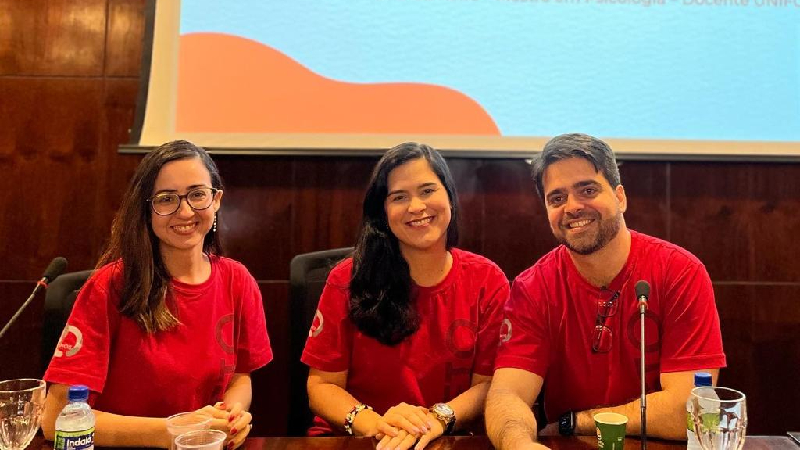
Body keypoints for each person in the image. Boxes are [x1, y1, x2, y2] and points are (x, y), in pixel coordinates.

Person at [485, 133, 726, 449]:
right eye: (556, 198)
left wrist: (577, 422)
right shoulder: (532, 287)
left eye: (587, 190)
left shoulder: (680, 272)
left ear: (620, 197)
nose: (572, 207)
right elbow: (508, 394)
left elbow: (690, 411)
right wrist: (518, 444)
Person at [42, 140, 273, 448]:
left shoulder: (238, 281)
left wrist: (230, 416)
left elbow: (239, 377)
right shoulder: (108, 286)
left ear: (216, 200)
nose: (185, 210)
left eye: (197, 194)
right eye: (166, 199)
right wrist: (172, 432)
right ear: (146, 208)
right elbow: (55, 419)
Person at [301, 142, 510, 450]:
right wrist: (377, 425)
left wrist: (437, 419)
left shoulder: (487, 280)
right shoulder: (347, 278)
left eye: (427, 191)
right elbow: (321, 386)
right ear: (383, 212)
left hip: (444, 438)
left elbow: (489, 385)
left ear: (449, 196)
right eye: (399, 197)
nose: (416, 207)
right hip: (360, 439)